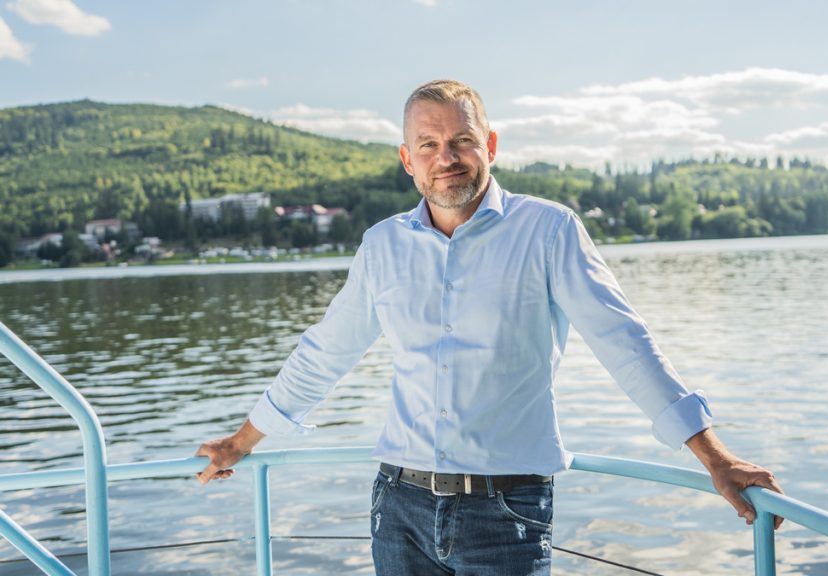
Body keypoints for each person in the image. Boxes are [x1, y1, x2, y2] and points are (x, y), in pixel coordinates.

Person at [196, 79, 784, 575]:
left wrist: (716, 458)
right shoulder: (381, 246)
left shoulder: (549, 231)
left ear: (491, 146)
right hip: (397, 509)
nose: (445, 157)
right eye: (428, 144)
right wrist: (239, 443)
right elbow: (324, 353)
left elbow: (625, 345)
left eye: (461, 140)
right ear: (407, 159)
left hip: (507, 512)